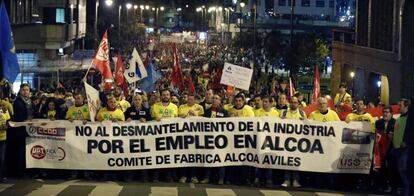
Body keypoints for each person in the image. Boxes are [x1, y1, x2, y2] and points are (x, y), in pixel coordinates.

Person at [150, 89, 178, 182]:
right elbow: (151, 120)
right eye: (164, 95)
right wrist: (154, 118)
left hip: (170, 136)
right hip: (158, 136)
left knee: (169, 157)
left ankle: (169, 177)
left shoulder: (174, 107)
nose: (166, 96)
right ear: (161, 96)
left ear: (169, 96)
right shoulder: (155, 106)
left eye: (167, 94)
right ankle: (155, 177)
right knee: (157, 156)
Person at [201, 94, 228, 185]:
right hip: (209, 139)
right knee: (208, 158)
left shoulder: (224, 112)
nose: (214, 100)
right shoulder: (207, 111)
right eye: (213, 98)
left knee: (221, 159)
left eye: (217, 98)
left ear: (220, 101)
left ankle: (221, 179)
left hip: (220, 140)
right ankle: (207, 177)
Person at [124, 94, 152, 182]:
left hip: (143, 139)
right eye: (135, 99)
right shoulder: (128, 110)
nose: (137, 101)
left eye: (139, 99)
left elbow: (152, 122)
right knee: (130, 157)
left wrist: (146, 121)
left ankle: (144, 177)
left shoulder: (146, 110)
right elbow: (122, 121)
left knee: (143, 158)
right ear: (133, 101)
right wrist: (126, 120)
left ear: (141, 100)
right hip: (130, 138)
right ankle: (130, 177)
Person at [178, 93, 204, 184]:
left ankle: (193, 176)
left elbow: (203, 120)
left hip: (195, 135)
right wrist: (187, 114)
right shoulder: (181, 107)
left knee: (194, 156)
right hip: (184, 135)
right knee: (184, 156)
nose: (190, 101)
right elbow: (178, 118)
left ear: (195, 100)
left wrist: (195, 115)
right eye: (188, 99)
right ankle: (183, 176)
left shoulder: (199, 107)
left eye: (192, 99)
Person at [253, 95, 279, 187]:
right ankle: (257, 178)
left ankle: (269, 179)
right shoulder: (257, 112)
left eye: (266, 101)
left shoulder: (275, 113)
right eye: (263, 101)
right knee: (258, 160)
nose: (264, 103)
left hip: (270, 141)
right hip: (259, 140)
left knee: (269, 161)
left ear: (271, 103)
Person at [280, 96, 306, 187]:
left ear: (298, 104)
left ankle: (295, 180)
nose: (293, 104)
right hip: (286, 141)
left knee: (295, 161)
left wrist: (304, 121)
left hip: (297, 142)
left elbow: (306, 127)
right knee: (287, 161)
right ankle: (286, 180)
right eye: (292, 102)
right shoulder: (284, 112)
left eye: (295, 102)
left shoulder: (302, 113)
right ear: (289, 103)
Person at [8, 84, 33, 178]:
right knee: (20, 152)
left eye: (27, 90)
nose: (26, 91)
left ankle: (25, 171)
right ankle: (20, 172)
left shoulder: (29, 101)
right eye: (24, 90)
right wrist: (24, 120)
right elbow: (17, 116)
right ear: (21, 91)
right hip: (20, 131)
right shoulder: (18, 102)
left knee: (26, 151)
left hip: (28, 129)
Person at [65, 93, 91, 179]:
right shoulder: (71, 108)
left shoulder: (88, 108)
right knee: (74, 154)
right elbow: (66, 119)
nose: (77, 100)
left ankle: (86, 173)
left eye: (79, 98)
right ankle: (74, 173)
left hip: (86, 136)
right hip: (74, 136)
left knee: (85, 154)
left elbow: (94, 120)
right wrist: (69, 119)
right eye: (75, 98)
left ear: (83, 98)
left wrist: (87, 120)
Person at [373, 106, 396, 193]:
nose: (385, 114)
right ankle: (381, 186)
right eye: (384, 112)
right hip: (380, 150)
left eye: (387, 112)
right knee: (380, 168)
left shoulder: (395, 122)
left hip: (391, 149)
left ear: (391, 113)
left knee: (392, 168)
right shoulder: (378, 122)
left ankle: (392, 186)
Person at [393, 98, 411, 196]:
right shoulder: (400, 117)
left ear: (406, 106)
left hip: (405, 149)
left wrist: (406, 142)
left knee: (404, 172)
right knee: (400, 172)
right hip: (397, 149)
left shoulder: (409, 119)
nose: (398, 107)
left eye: (400, 105)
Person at [0, 101, 10, 182]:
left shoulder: (5, 110)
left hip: (3, 138)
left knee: (2, 159)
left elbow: (7, 122)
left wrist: (6, 126)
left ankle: (1, 176)